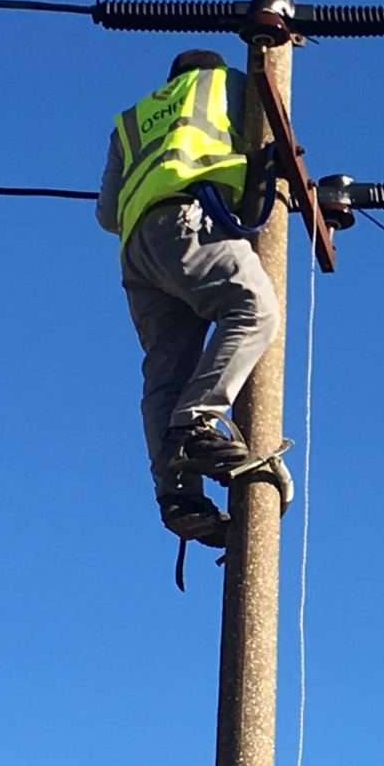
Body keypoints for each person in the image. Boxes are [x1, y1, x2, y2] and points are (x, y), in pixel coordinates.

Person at [96, 48, 281, 548]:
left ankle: (177, 493)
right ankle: (197, 425)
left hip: (137, 252)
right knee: (254, 309)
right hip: (189, 224)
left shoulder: (130, 121)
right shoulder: (227, 85)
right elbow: (269, 140)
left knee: (166, 370)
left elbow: (107, 214)